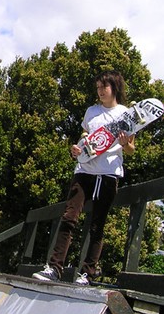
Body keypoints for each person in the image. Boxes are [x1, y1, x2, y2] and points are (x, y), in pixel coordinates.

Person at [33, 71, 135, 286]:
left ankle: (87, 273)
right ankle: (54, 268)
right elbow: (84, 138)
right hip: (84, 170)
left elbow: (131, 149)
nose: (100, 92)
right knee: (69, 216)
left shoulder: (126, 114)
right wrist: (76, 148)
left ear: (114, 88)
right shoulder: (92, 111)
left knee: (97, 224)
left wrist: (125, 143)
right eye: (97, 88)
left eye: (103, 88)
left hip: (107, 173)